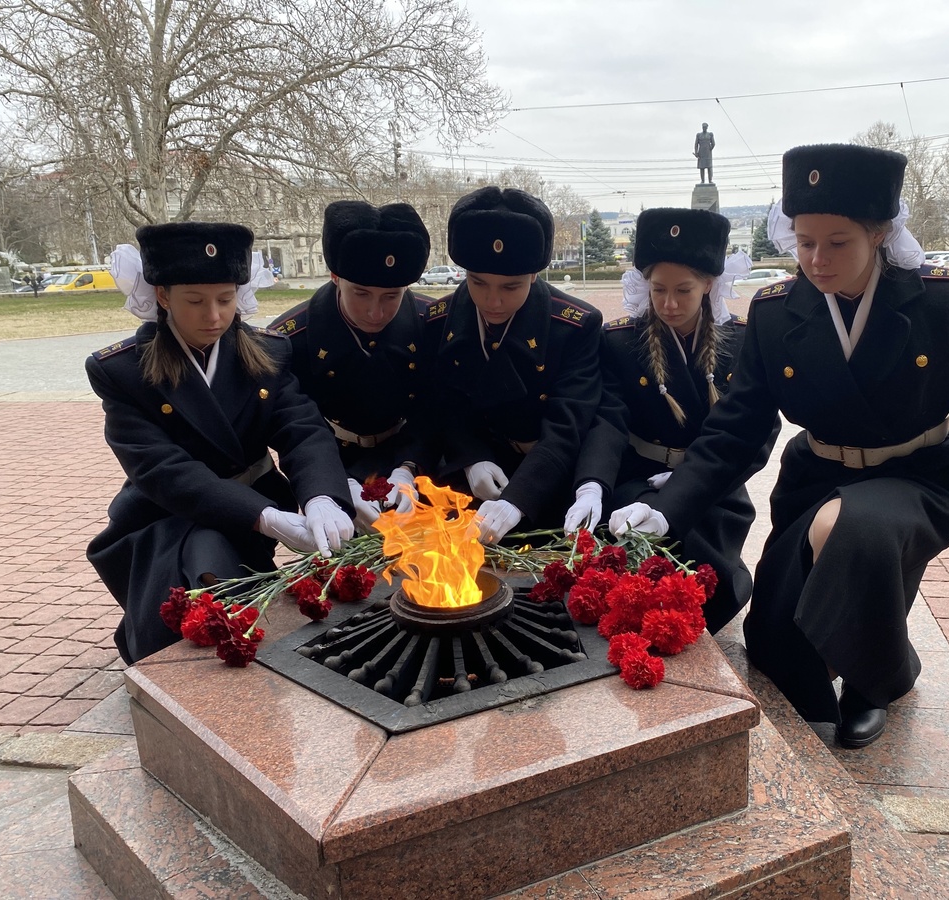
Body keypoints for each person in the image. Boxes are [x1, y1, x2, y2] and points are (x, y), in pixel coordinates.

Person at [610, 144, 949, 748]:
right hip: (816, 477)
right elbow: (736, 427)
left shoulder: (939, 302)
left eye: (837, 242)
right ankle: (867, 652)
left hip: (919, 476)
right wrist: (670, 508)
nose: (816, 260)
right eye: (803, 241)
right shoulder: (776, 311)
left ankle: (877, 683)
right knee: (774, 646)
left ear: (879, 234)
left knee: (853, 529)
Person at [87, 222, 355, 665]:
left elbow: (302, 429)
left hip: (248, 500)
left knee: (231, 589)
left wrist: (322, 496)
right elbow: (163, 470)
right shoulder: (122, 372)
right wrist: (264, 517)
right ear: (163, 296)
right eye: (195, 301)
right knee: (202, 570)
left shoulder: (267, 352)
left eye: (226, 299)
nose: (214, 316)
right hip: (166, 513)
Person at [564, 207, 775, 633]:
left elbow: (759, 431)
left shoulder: (744, 339)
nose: (670, 304)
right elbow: (609, 420)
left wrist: (686, 481)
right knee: (622, 543)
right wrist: (592, 485)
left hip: (714, 485)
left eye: (684, 290)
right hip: (639, 474)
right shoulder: (623, 341)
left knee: (696, 557)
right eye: (658, 289)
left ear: (709, 284)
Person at [432, 186, 603, 544]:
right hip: (475, 477)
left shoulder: (573, 326)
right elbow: (444, 401)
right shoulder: (439, 319)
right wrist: (471, 457)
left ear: (535, 276)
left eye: (511, 287)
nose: (492, 301)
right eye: (478, 283)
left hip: (547, 478)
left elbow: (568, 424)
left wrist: (518, 499)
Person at [272, 201, 443, 528]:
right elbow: (295, 427)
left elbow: (433, 406)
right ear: (336, 276)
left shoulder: (430, 323)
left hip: (411, 454)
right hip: (335, 459)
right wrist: (333, 485)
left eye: (391, 296)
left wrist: (409, 468)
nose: (375, 312)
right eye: (361, 294)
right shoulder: (290, 338)